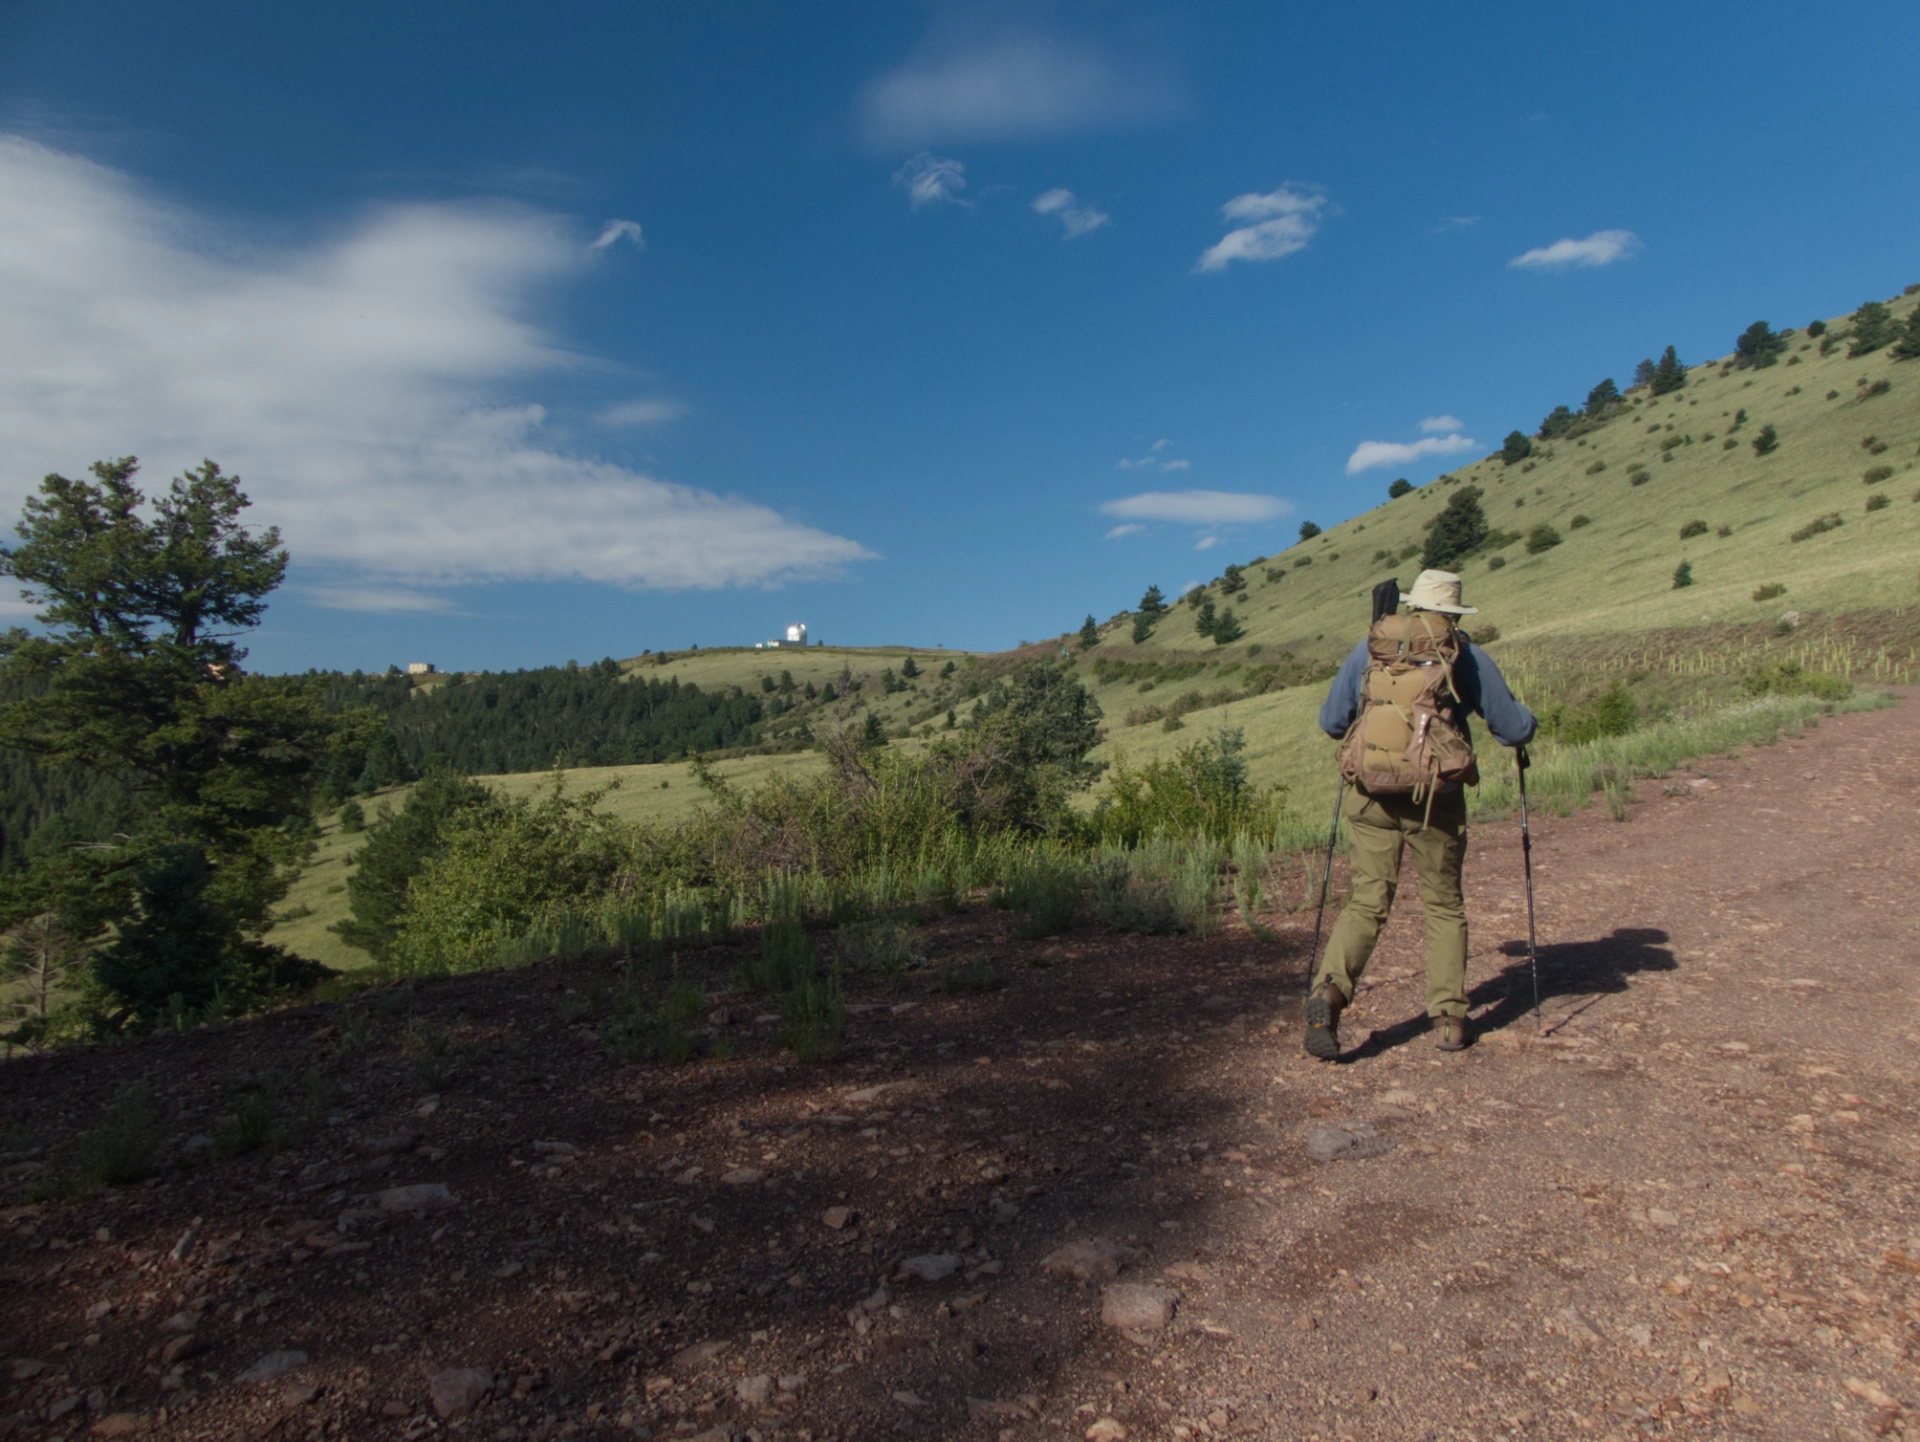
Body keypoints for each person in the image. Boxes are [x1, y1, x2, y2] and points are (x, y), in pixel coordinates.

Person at [1305, 569, 1535, 1059]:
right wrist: (1529, 720)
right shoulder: (1463, 654)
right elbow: (1512, 729)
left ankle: (1328, 993)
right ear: (1453, 613)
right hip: (1436, 798)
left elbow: (1331, 722)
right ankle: (1450, 1019)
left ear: (1412, 606)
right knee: (1444, 904)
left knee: (1367, 903)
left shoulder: (1371, 649)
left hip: (1370, 794)